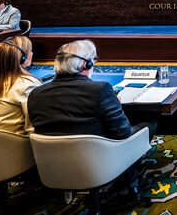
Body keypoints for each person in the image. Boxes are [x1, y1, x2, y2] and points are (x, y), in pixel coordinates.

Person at [27, 40, 154, 196]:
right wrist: (116, 105)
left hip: (54, 167)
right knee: (149, 125)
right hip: (99, 162)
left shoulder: (35, 94)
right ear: (85, 65)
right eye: (93, 60)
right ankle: (125, 183)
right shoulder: (100, 90)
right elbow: (122, 132)